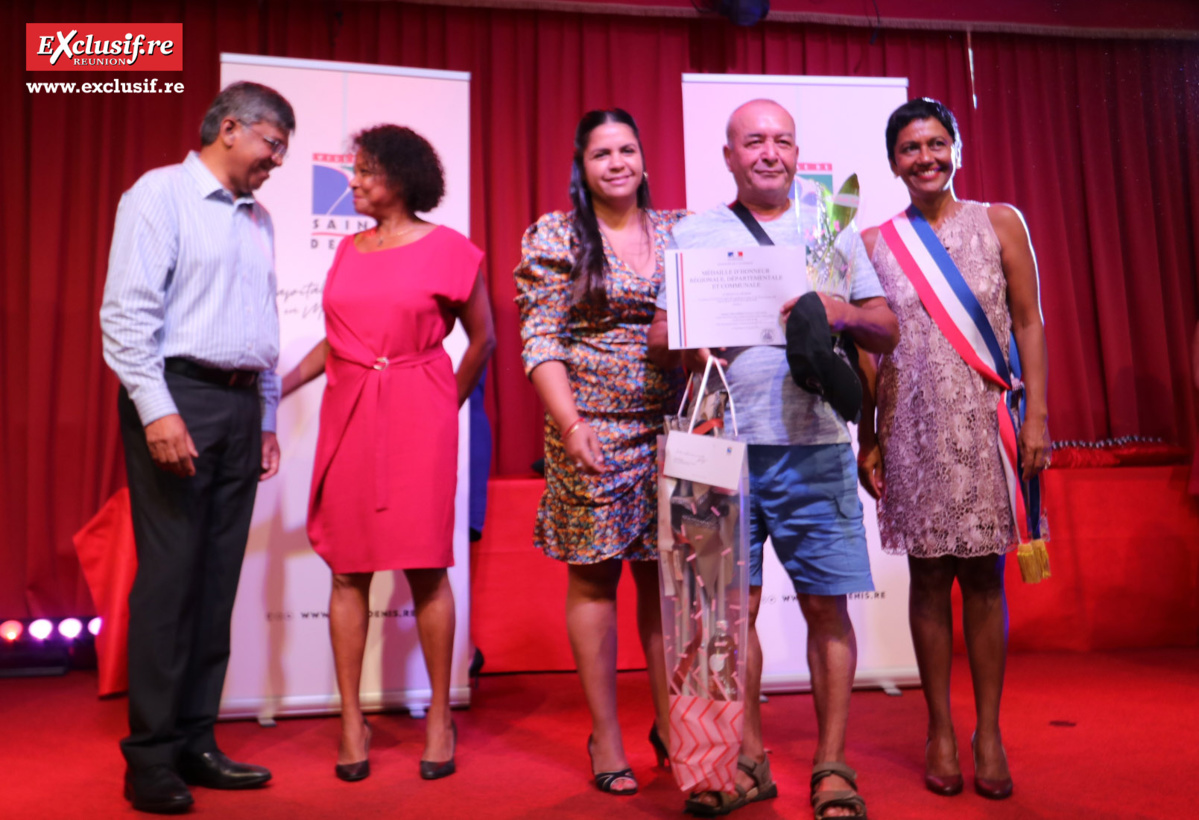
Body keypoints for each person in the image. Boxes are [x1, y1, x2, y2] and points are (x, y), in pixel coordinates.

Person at [648, 99, 899, 819]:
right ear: (726, 156)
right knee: (730, 616)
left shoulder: (830, 227)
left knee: (826, 607)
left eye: (781, 140)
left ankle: (831, 767)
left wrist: (839, 310)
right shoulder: (694, 231)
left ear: (797, 153)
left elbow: (885, 327)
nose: (768, 152)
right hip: (718, 446)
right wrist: (687, 339)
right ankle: (747, 761)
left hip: (814, 448)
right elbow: (657, 332)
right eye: (751, 141)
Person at [100, 81, 294, 814]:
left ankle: (196, 740)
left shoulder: (261, 219)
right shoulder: (160, 195)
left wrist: (268, 417)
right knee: (171, 581)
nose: (276, 161)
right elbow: (126, 314)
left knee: (215, 585)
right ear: (231, 128)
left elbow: (261, 323)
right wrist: (156, 411)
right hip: (177, 397)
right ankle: (148, 757)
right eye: (272, 145)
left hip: (242, 405)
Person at [281, 125, 495, 782]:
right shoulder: (347, 250)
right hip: (349, 417)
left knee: (427, 567)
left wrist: (442, 406)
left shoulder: (454, 251)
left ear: (400, 178)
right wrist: (277, 389)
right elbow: (336, 341)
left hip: (417, 416)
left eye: (366, 171)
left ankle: (437, 714)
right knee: (348, 570)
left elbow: (483, 340)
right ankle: (351, 717)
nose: (353, 181)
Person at [856, 97, 1051, 801]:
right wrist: (868, 437)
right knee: (928, 579)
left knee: (983, 580)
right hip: (909, 428)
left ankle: (987, 731)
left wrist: (1038, 418)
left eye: (936, 143)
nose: (925, 158)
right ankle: (938, 727)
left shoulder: (998, 222)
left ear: (956, 148)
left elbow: (1028, 321)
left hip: (983, 425)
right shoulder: (876, 243)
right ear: (892, 162)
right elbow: (867, 356)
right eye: (910, 148)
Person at [514, 109, 686, 796]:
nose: (616, 163)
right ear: (581, 167)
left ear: (643, 158)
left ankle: (674, 724)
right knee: (594, 578)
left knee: (663, 586)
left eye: (626, 150)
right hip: (590, 430)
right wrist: (570, 422)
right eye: (600, 154)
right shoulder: (556, 235)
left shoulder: (679, 229)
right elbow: (540, 339)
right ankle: (606, 735)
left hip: (673, 427)